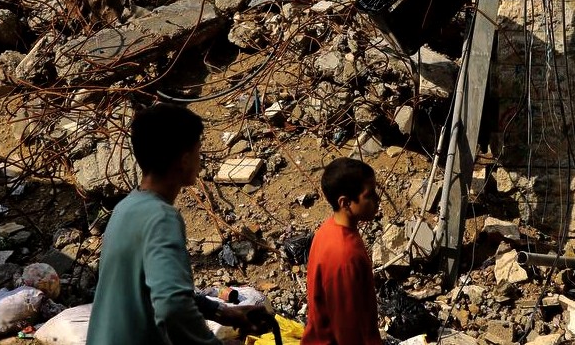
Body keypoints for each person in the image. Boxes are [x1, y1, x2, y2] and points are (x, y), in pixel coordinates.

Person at [87, 103, 273, 345]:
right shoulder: (161, 217)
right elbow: (172, 306)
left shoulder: (125, 208)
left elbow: (156, 291)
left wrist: (221, 312)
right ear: (184, 160)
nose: (200, 159)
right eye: (198, 151)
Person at [301, 158, 384, 345]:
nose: (377, 200)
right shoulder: (344, 255)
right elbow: (347, 328)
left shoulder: (328, 229)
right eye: (369, 195)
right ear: (345, 203)